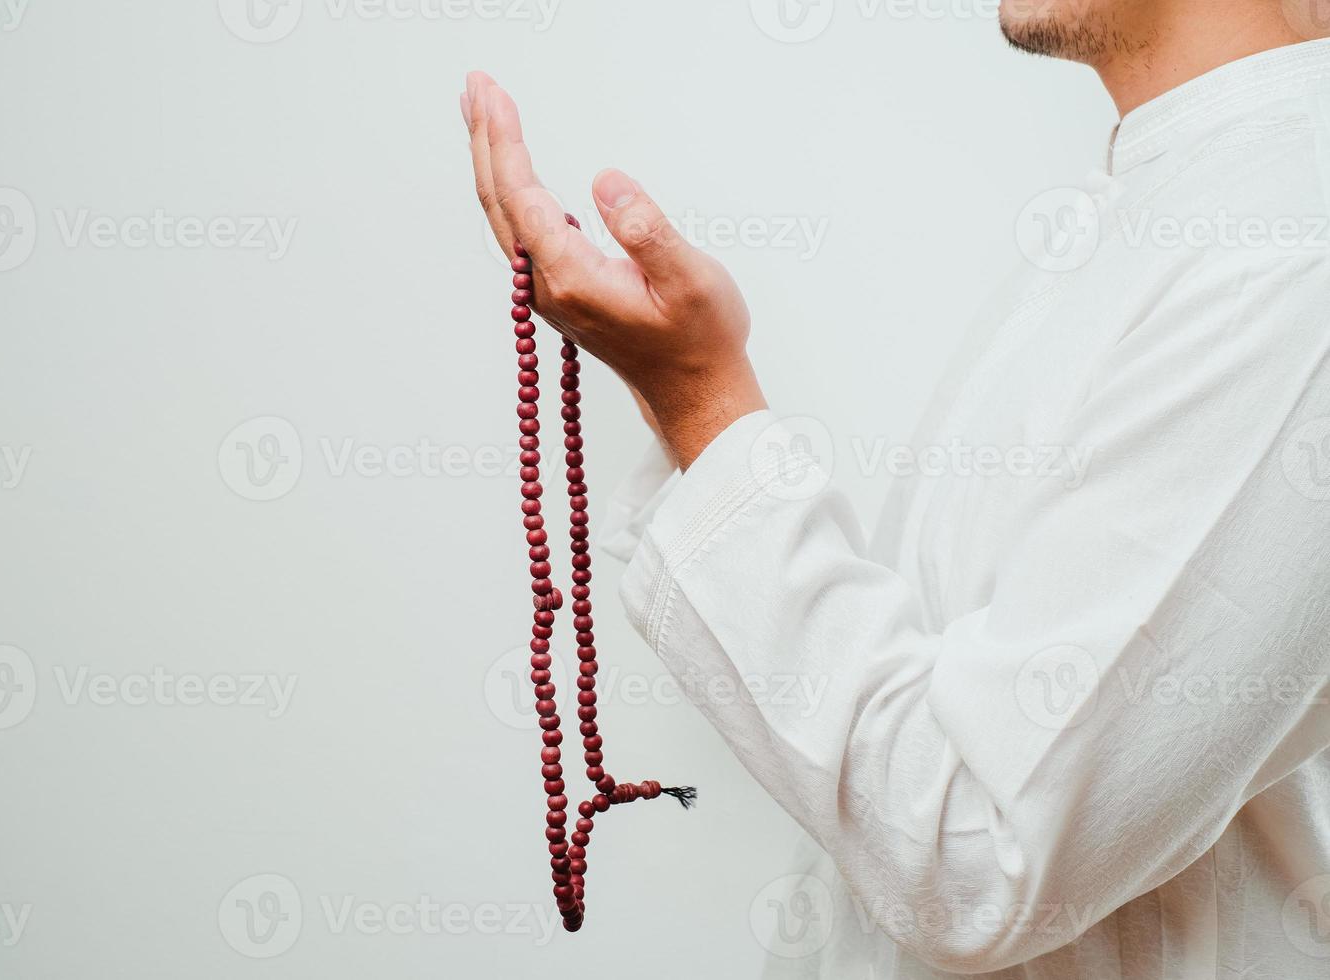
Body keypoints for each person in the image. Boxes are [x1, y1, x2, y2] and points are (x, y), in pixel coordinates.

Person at [461, 2, 1330, 975]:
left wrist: (701, 400)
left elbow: (976, 850)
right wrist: (684, 402)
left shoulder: (1289, 250)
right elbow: (957, 714)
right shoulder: (1180, 195)